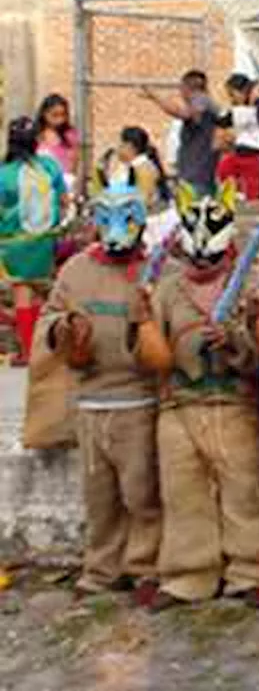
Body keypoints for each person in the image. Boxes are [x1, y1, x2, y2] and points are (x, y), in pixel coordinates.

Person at [142, 179, 259, 612]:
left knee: (244, 490)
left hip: (233, 401)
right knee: (184, 491)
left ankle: (254, 570)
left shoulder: (248, 286)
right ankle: (188, 575)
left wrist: (236, 339)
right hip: (180, 403)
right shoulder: (168, 290)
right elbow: (152, 353)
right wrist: (142, 324)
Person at [39, 174, 161, 607]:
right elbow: (49, 317)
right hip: (91, 400)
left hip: (139, 400)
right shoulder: (76, 270)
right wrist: (66, 328)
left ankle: (146, 567)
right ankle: (101, 569)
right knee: (100, 496)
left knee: (142, 493)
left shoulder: (153, 268)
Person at [0, 117, 71, 364]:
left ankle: (28, 351)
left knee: (23, 294)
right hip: (45, 241)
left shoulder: (4, 173)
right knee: (41, 295)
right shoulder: (50, 166)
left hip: (15, 243)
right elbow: (64, 201)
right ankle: (44, 349)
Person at [140, 70, 220, 188]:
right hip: (192, 171)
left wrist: (156, 97)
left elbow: (183, 113)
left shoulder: (201, 100)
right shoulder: (202, 102)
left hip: (198, 174)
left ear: (187, 87)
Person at [215, 74, 259, 201]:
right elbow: (222, 122)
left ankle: (252, 206)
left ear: (244, 92)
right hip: (238, 152)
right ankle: (234, 193)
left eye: (233, 95)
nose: (232, 99)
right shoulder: (236, 110)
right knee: (224, 168)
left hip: (254, 155)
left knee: (253, 188)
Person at [102, 126, 167, 210]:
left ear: (129, 147)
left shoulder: (144, 169)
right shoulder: (126, 167)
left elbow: (143, 202)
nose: (116, 149)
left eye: (120, 145)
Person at [35, 93, 80, 181]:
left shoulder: (70, 135)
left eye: (63, 115)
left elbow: (73, 164)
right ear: (44, 114)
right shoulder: (36, 135)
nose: (60, 120)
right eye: (55, 115)